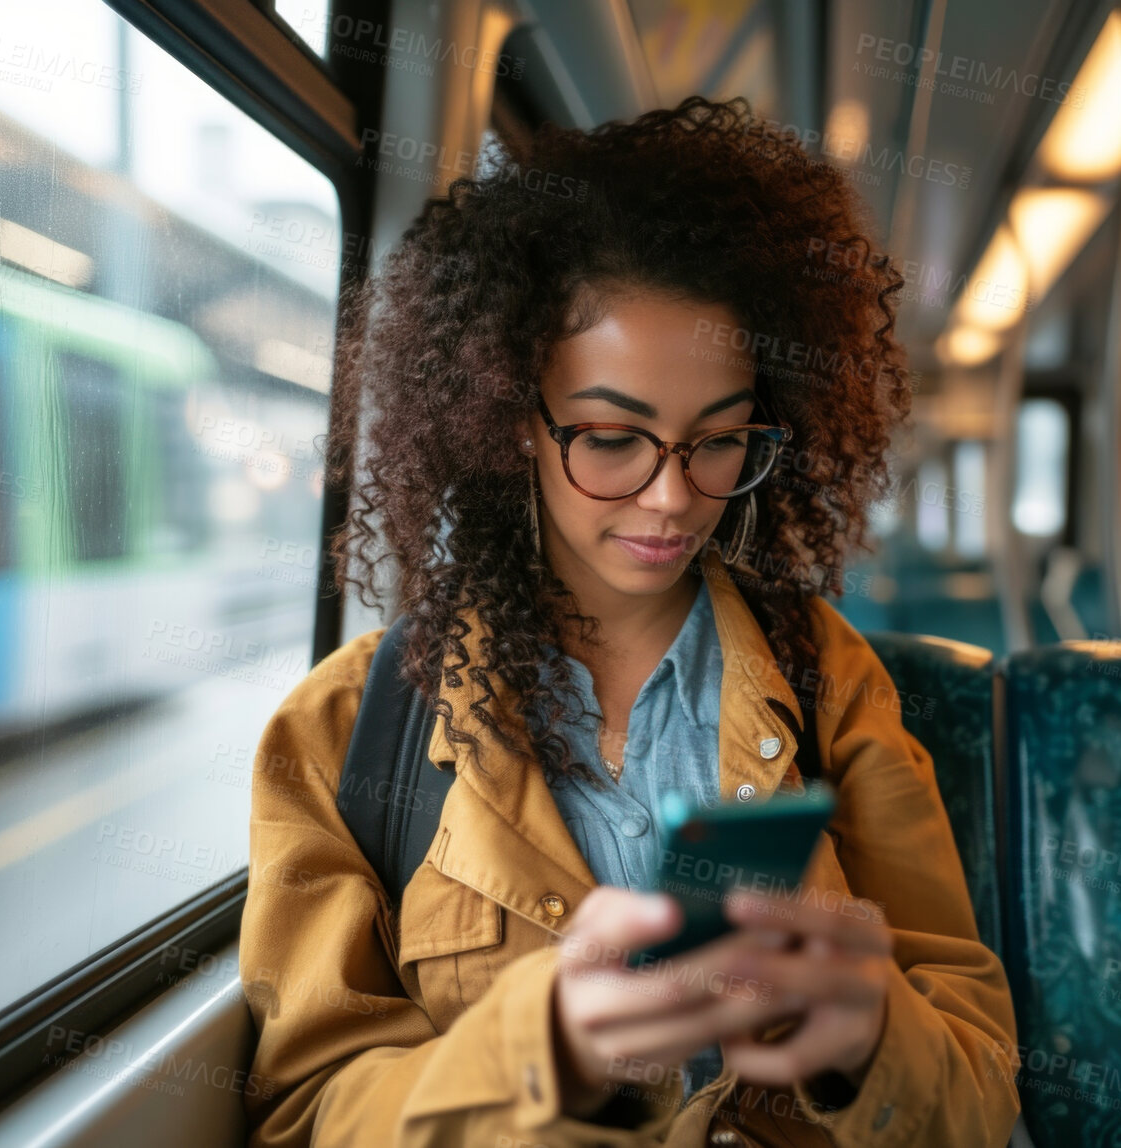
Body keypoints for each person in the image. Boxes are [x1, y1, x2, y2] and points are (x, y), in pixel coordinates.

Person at [239, 95, 1020, 1148]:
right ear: (513, 418)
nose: (672, 497)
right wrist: (543, 1046)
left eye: (718, 439)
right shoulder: (341, 729)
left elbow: (978, 1093)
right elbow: (305, 1111)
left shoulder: (829, 677)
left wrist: (869, 1033)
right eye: (612, 437)